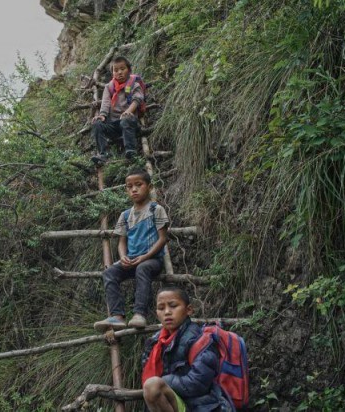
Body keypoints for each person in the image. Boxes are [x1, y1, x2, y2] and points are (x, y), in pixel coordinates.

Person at [94, 168, 169, 332]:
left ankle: (139, 314)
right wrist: (123, 257)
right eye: (129, 186)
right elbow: (122, 241)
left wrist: (145, 257)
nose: (134, 189)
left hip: (152, 260)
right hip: (131, 260)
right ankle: (117, 316)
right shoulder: (125, 215)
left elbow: (163, 238)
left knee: (142, 268)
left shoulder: (156, 210)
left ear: (149, 187)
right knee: (109, 273)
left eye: (139, 185)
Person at [141, 287, 233, 412]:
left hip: (200, 407)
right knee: (152, 386)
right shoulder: (155, 342)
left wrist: (163, 382)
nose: (167, 312)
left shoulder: (200, 340)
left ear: (189, 310)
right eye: (161, 308)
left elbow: (199, 384)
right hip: (173, 404)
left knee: (153, 386)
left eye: (173, 306)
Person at [91, 56, 144, 165]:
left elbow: (137, 99)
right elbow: (105, 102)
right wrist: (102, 115)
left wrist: (129, 111)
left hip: (130, 123)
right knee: (97, 124)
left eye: (122, 69)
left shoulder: (134, 84)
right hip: (114, 125)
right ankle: (103, 154)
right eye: (116, 70)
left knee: (126, 119)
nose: (119, 72)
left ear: (128, 70)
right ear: (112, 73)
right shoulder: (109, 87)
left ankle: (130, 150)